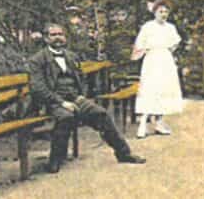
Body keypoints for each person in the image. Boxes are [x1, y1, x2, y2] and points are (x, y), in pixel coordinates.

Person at [28, 23, 145, 173]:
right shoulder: (37, 60)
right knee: (65, 117)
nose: (58, 38)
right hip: (52, 101)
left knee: (101, 114)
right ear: (46, 38)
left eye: (60, 34)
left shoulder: (71, 56)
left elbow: (81, 78)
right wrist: (62, 102)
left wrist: (81, 95)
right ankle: (55, 160)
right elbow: (38, 88)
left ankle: (124, 154)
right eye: (53, 35)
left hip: (75, 98)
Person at [132, 0, 184, 139]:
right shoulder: (148, 27)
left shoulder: (170, 28)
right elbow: (139, 45)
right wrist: (149, 51)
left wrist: (166, 52)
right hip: (152, 61)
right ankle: (143, 122)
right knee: (150, 89)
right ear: (154, 12)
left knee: (164, 89)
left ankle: (159, 122)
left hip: (165, 60)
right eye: (161, 11)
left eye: (166, 12)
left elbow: (175, 44)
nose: (163, 14)